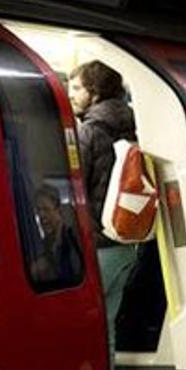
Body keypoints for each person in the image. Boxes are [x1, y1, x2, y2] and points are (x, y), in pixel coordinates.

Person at [68, 60, 138, 353]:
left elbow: (74, 186)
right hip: (125, 242)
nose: (70, 93)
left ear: (94, 92)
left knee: (82, 328)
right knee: (105, 325)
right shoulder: (133, 125)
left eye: (76, 87)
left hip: (97, 245)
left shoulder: (90, 131)